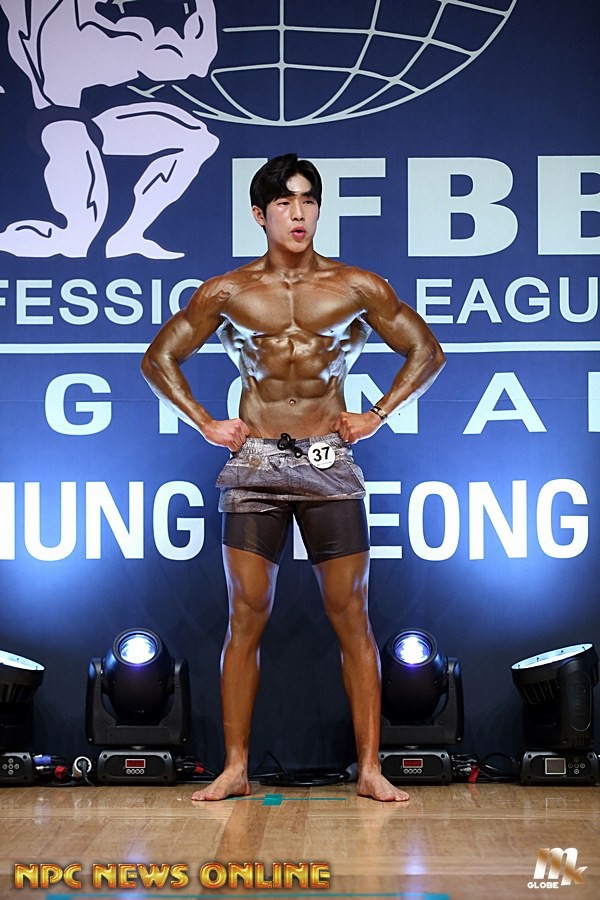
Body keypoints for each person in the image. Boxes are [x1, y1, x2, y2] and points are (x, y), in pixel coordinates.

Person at [141, 153, 445, 802]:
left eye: (308, 200)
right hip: (256, 462)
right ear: (261, 214)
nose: (298, 213)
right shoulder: (228, 292)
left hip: (328, 458)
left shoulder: (356, 286)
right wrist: (205, 421)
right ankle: (235, 768)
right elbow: (159, 357)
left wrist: (378, 414)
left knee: (352, 614)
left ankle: (370, 769)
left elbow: (427, 350)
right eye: (285, 202)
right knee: (245, 616)